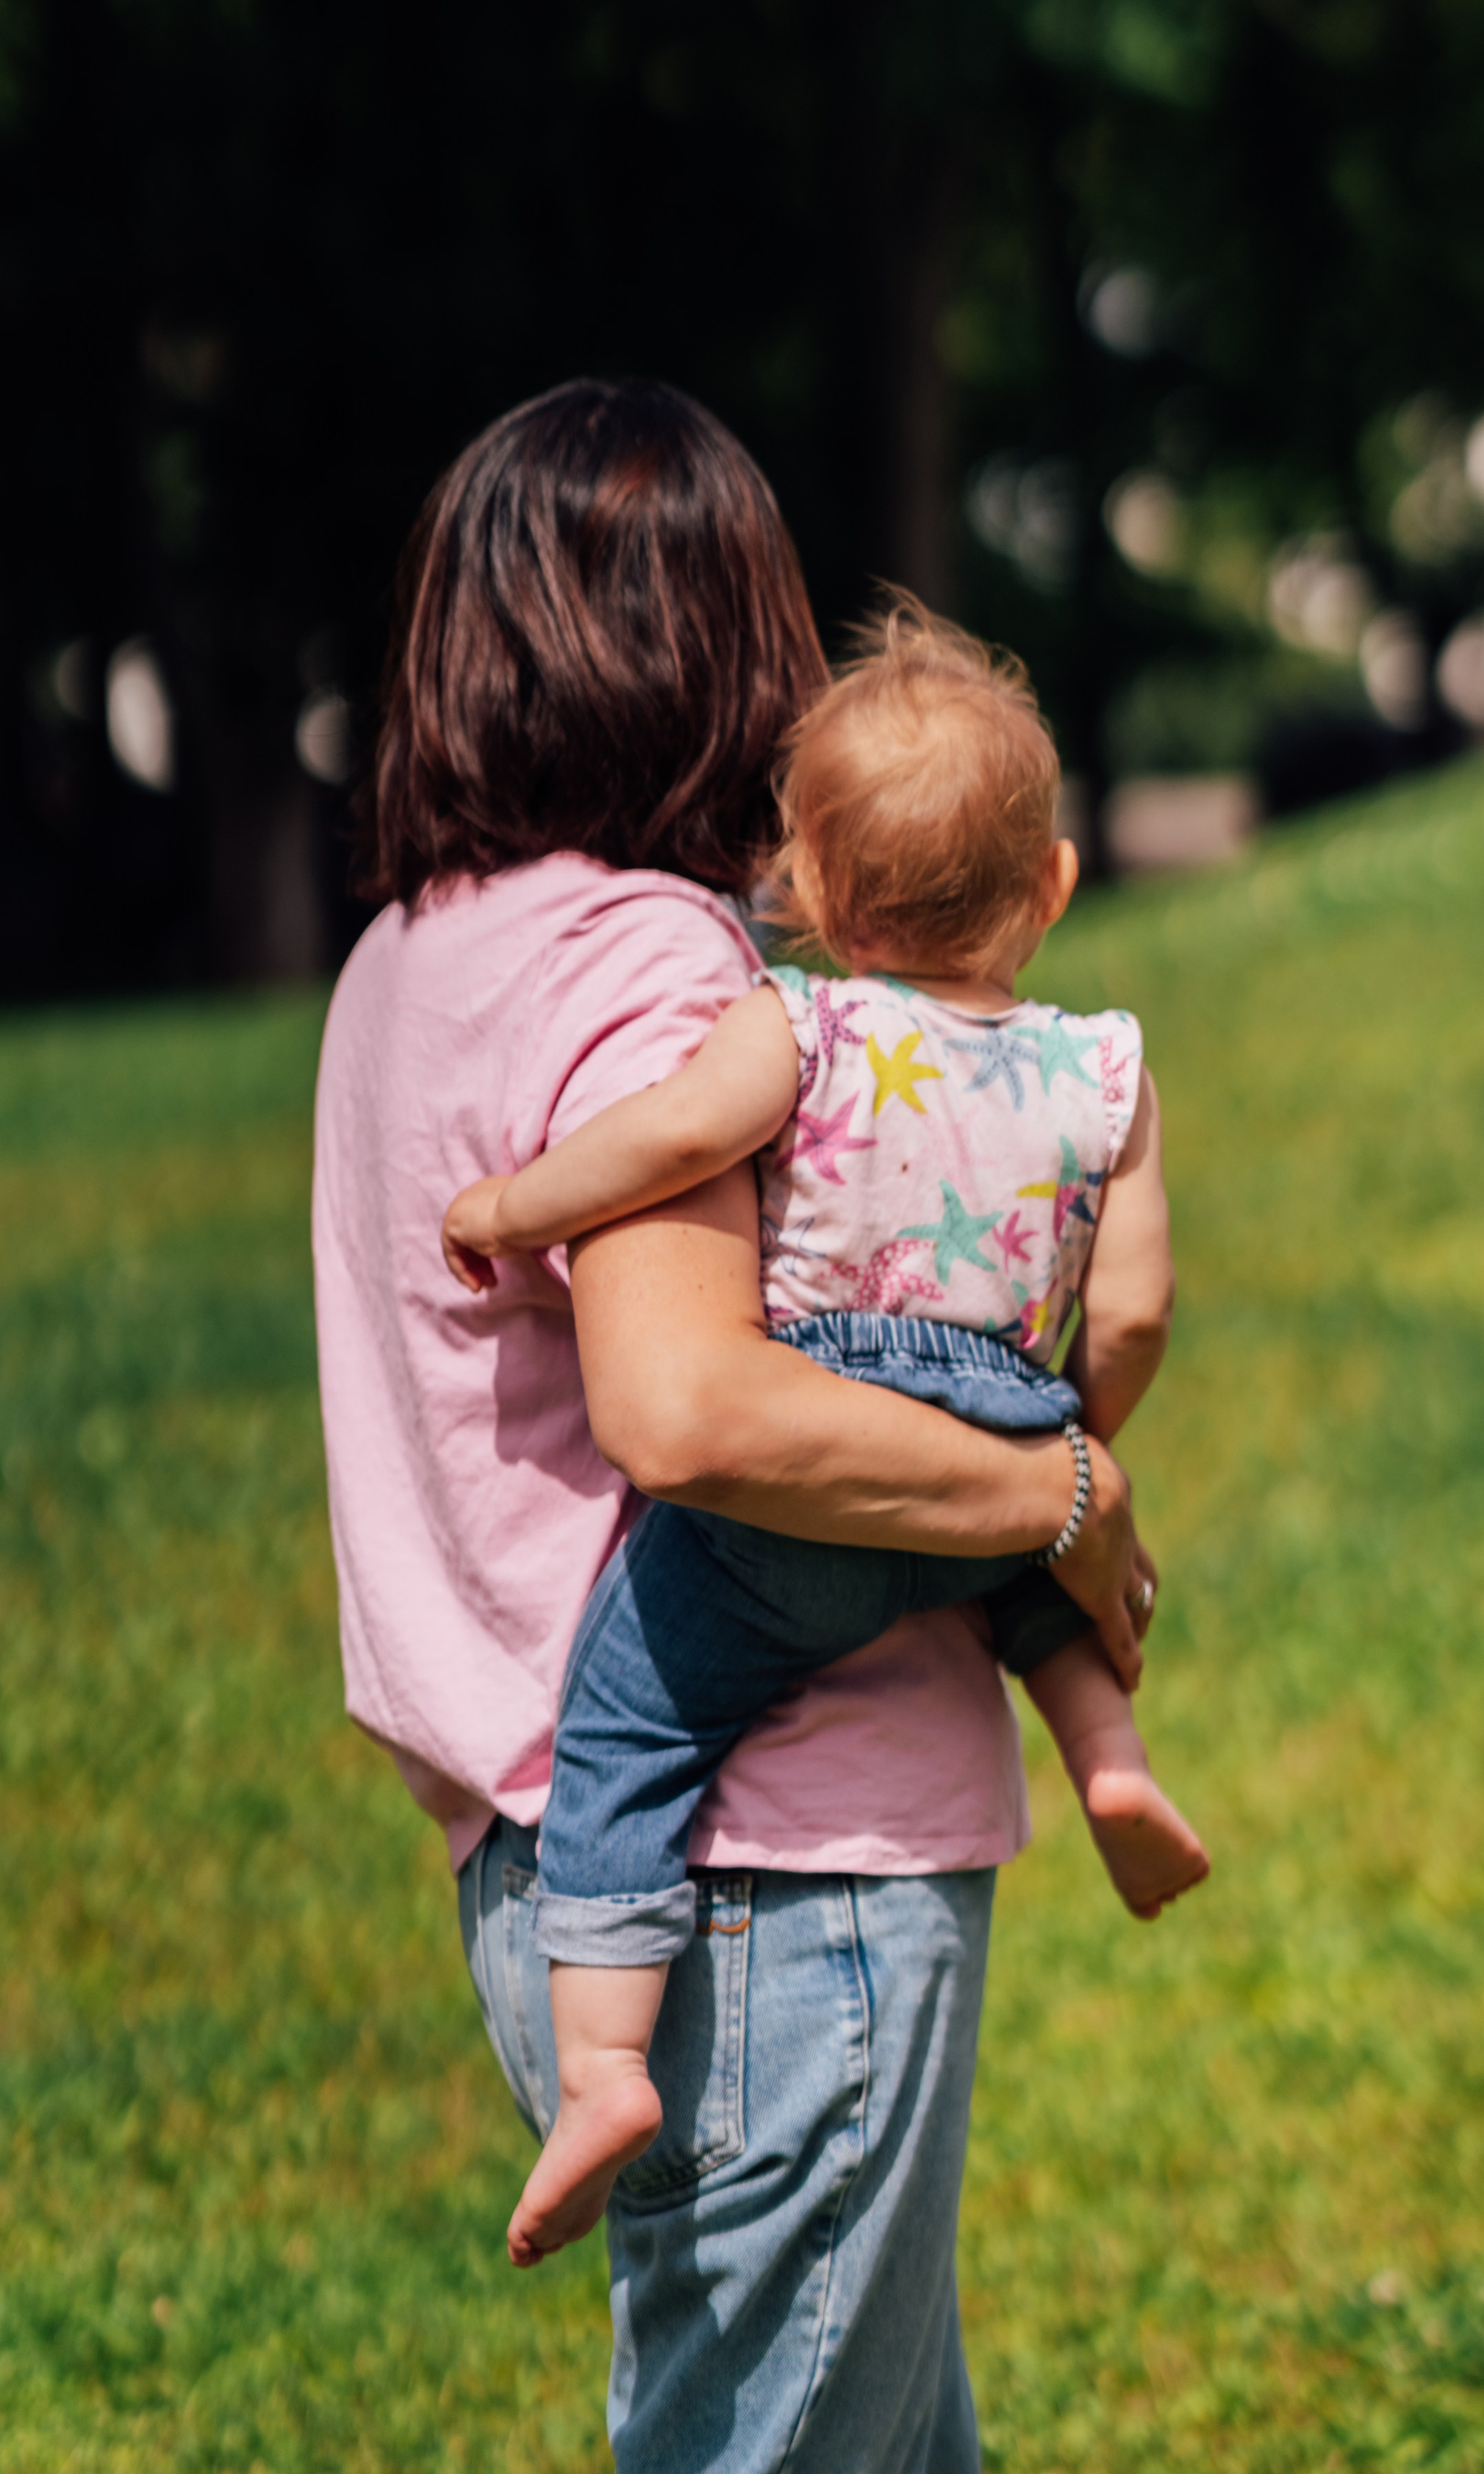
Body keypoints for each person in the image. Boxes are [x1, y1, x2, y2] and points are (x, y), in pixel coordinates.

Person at [311, 379, 1158, 2474]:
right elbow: (686, 1404)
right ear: (721, 648)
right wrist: (1050, 1487)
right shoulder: (668, 972)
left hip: (565, 1871)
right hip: (777, 1879)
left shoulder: (404, 967)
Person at [441, 604, 1209, 2266]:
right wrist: (1074, 1427)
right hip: (997, 1417)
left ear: (800, 886)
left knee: (631, 1722)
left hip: (816, 1451)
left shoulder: (800, 1028)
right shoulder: (1104, 1069)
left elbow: (656, 1142)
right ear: (1055, 884)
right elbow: (1136, 1309)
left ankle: (600, 2069)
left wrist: (514, 1201)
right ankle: (1115, 1767)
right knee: (1029, 1597)